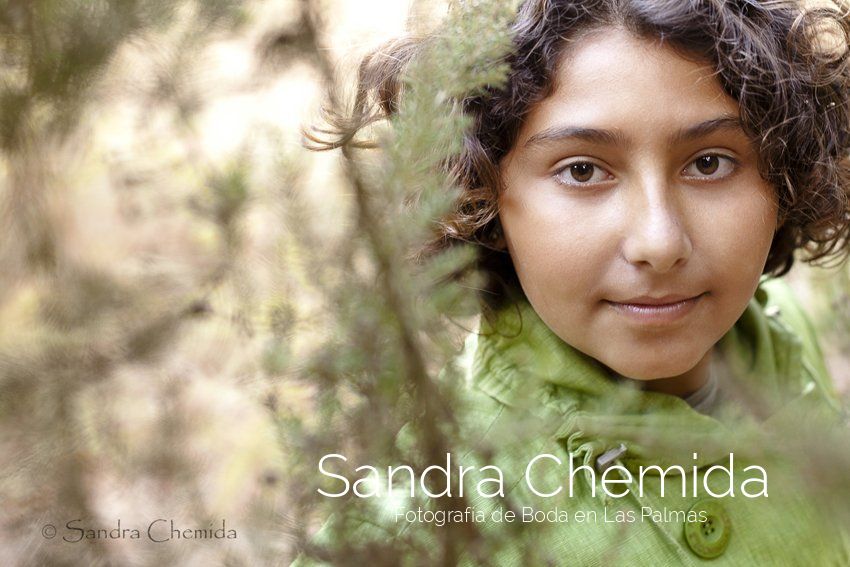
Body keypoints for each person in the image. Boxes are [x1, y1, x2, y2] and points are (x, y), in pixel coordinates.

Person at [296, 0, 850, 564]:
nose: (658, 243)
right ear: (479, 196)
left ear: (787, 178)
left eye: (709, 163)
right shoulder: (422, 512)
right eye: (582, 170)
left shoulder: (785, 336)